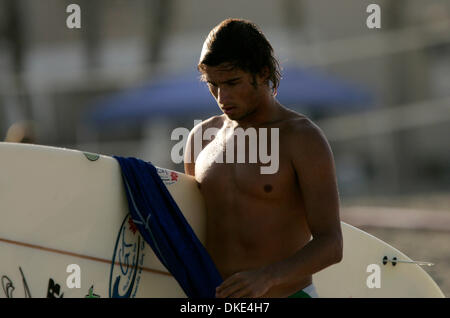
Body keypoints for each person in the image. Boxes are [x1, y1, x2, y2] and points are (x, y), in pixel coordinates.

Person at [184, 18, 343, 298]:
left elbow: (331, 244)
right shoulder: (201, 138)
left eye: (233, 82)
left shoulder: (302, 138)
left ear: (262, 72)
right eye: (213, 84)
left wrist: (267, 278)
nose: (222, 96)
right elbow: (191, 226)